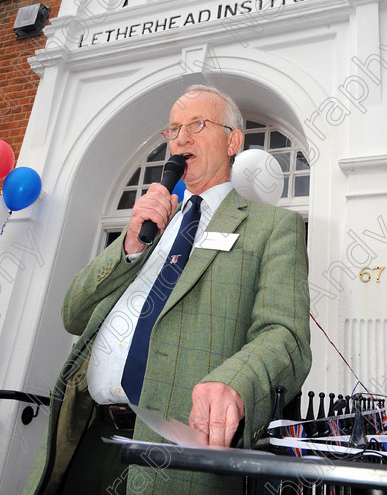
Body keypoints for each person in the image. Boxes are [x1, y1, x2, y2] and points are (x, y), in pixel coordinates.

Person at [25, 85, 311, 494]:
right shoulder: (153, 224)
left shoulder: (271, 227)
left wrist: (235, 381)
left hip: (176, 457)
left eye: (197, 124)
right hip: (89, 439)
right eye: (173, 129)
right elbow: (73, 313)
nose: (180, 138)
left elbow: (285, 335)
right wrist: (128, 246)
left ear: (233, 140)